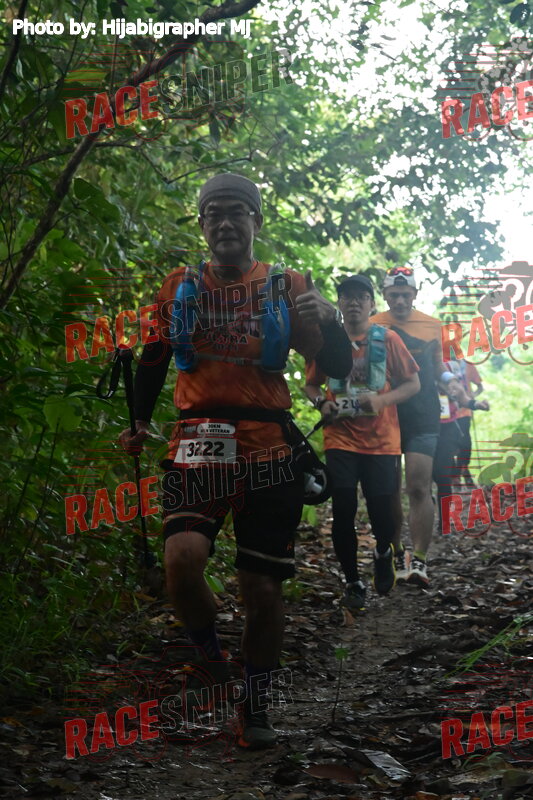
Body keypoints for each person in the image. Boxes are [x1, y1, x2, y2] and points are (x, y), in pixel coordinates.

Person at [119, 173, 352, 749]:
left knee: (262, 587)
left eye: (236, 213)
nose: (225, 223)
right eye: (214, 214)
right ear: (202, 224)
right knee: (181, 561)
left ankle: (256, 704)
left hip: (268, 446)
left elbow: (339, 366)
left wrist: (330, 320)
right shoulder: (181, 285)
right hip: (196, 440)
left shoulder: (287, 285)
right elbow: (154, 355)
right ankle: (214, 664)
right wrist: (140, 420)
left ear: (256, 221)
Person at [304, 274, 420, 610]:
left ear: (372, 303)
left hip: (382, 441)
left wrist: (381, 401)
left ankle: (383, 552)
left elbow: (413, 384)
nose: (354, 302)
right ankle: (353, 581)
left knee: (382, 512)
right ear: (339, 303)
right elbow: (311, 385)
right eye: (347, 296)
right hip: (340, 438)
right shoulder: (327, 341)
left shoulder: (388, 339)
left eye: (361, 297)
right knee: (343, 510)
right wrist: (321, 404)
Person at [372, 267, 464, 587]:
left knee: (419, 487)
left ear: (414, 294)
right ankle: (398, 554)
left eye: (405, 294)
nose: (399, 300)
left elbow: (438, 368)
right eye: (393, 295)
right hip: (385, 417)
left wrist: (452, 383)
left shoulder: (431, 325)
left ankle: (420, 560)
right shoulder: (373, 325)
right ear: (385, 294)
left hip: (424, 415)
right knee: (388, 489)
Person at [433, 360, 489, 530]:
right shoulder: (415, 360)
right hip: (420, 429)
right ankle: (426, 513)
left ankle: (444, 523)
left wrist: (474, 404)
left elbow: (461, 394)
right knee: (422, 482)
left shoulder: (453, 367)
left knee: (443, 477)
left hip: (447, 427)